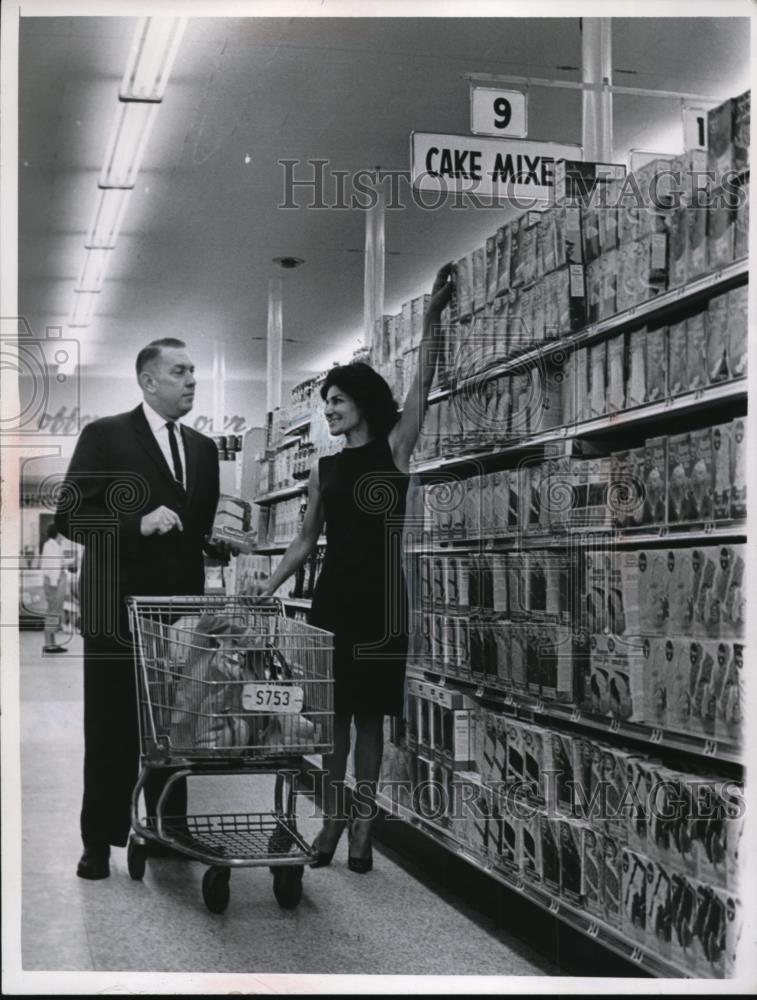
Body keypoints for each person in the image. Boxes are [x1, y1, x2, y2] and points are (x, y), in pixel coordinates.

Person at [260, 264, 453, 872]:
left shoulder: (395, 449)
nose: (330, 411)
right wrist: (265, 584)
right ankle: (333, 820)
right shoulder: (324, 469)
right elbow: (304, 542)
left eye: (338, 400)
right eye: (326, 404)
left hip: (382, 601)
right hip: (335, 598)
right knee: (334, 721)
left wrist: (430, 320)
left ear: (362, 401)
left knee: (372, 720)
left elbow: (423, 379)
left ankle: (363, 825)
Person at [55, 338, 232, 880]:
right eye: (180, 371)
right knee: (111, 728)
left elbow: (195, 529)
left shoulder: (204, 449)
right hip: (115, 610)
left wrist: (218, 543)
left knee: (174, 728)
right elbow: (69, 518)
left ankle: (165, 829)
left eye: (194, 370)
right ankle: (99, 842)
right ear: (148, 380)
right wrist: (136, 523)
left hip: (179, 615)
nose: (192, 380)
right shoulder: (106, 436)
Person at [40, 523, 67, 653]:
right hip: (54, 582)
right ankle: (49, 645)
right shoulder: (51, 546)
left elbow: (58, 563)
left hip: (55, 580)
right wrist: (55, 585)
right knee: (53, 612)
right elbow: (54, 566)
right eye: (63, 533)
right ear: (58, 533)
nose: (64, 536)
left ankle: (52, 643)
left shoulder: (53, 545)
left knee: (54, 611)